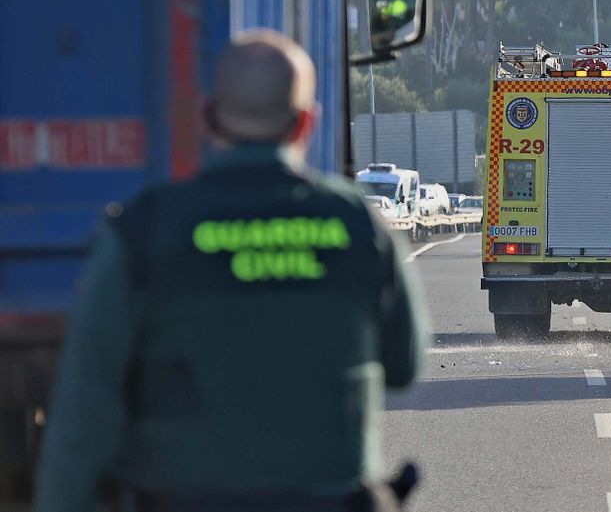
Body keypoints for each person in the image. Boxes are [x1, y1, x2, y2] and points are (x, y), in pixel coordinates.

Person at [35, 30, 429, 512]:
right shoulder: (358, 225)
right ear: (306, 123)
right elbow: (405, 364)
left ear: (208, 118)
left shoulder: (142, 233)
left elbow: (82, 419)